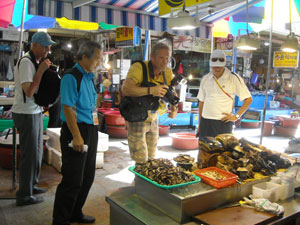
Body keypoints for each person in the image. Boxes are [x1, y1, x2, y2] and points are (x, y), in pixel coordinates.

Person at [52, 41, 102, 225]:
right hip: (76, 130)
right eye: (97, 58)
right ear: (83, 57)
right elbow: (68, 108)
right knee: (72, 179)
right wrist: (77, 136)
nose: (99, 62)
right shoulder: (71, 77)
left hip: (91, 129)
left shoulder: (89, 77)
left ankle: (75, 212)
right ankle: (61, 219)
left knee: (87, 176)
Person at [12, 31, 55, 206]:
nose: (48, 49)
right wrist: (42, 70)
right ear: (34, 45)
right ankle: (24, 195)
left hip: (35, 111)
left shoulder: (35, 61)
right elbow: (29, 91)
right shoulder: (26, 63)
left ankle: (31, 186)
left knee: (37, 152)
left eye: (49, 46)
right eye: (45, 46)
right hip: (26, 113)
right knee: (29, 156)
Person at [121, 42, 178, 164]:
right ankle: (139, 182)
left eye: (167, 58)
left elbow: (171, 91)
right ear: (152, 56)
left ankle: (146, 181)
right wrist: (151, 90)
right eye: (161, 58)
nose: (165, 61)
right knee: (140, 158)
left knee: (152, 157)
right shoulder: (139, 68)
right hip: (137, 115)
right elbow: (126, 89)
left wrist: (174, 107)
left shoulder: (167, 72)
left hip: (153, 115)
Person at [197, 49, 253, 137]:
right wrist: (199, 124)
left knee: (223, 150)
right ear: (211, 65)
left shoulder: (233, 78)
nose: (216, 68)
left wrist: (236, 116)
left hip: (223, 123)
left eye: (219, 66)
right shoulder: (205, 78)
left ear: (224, 65)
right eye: (214, 66)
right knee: (204, 149)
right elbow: (201, 102)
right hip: (206, 122)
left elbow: (248, 99)